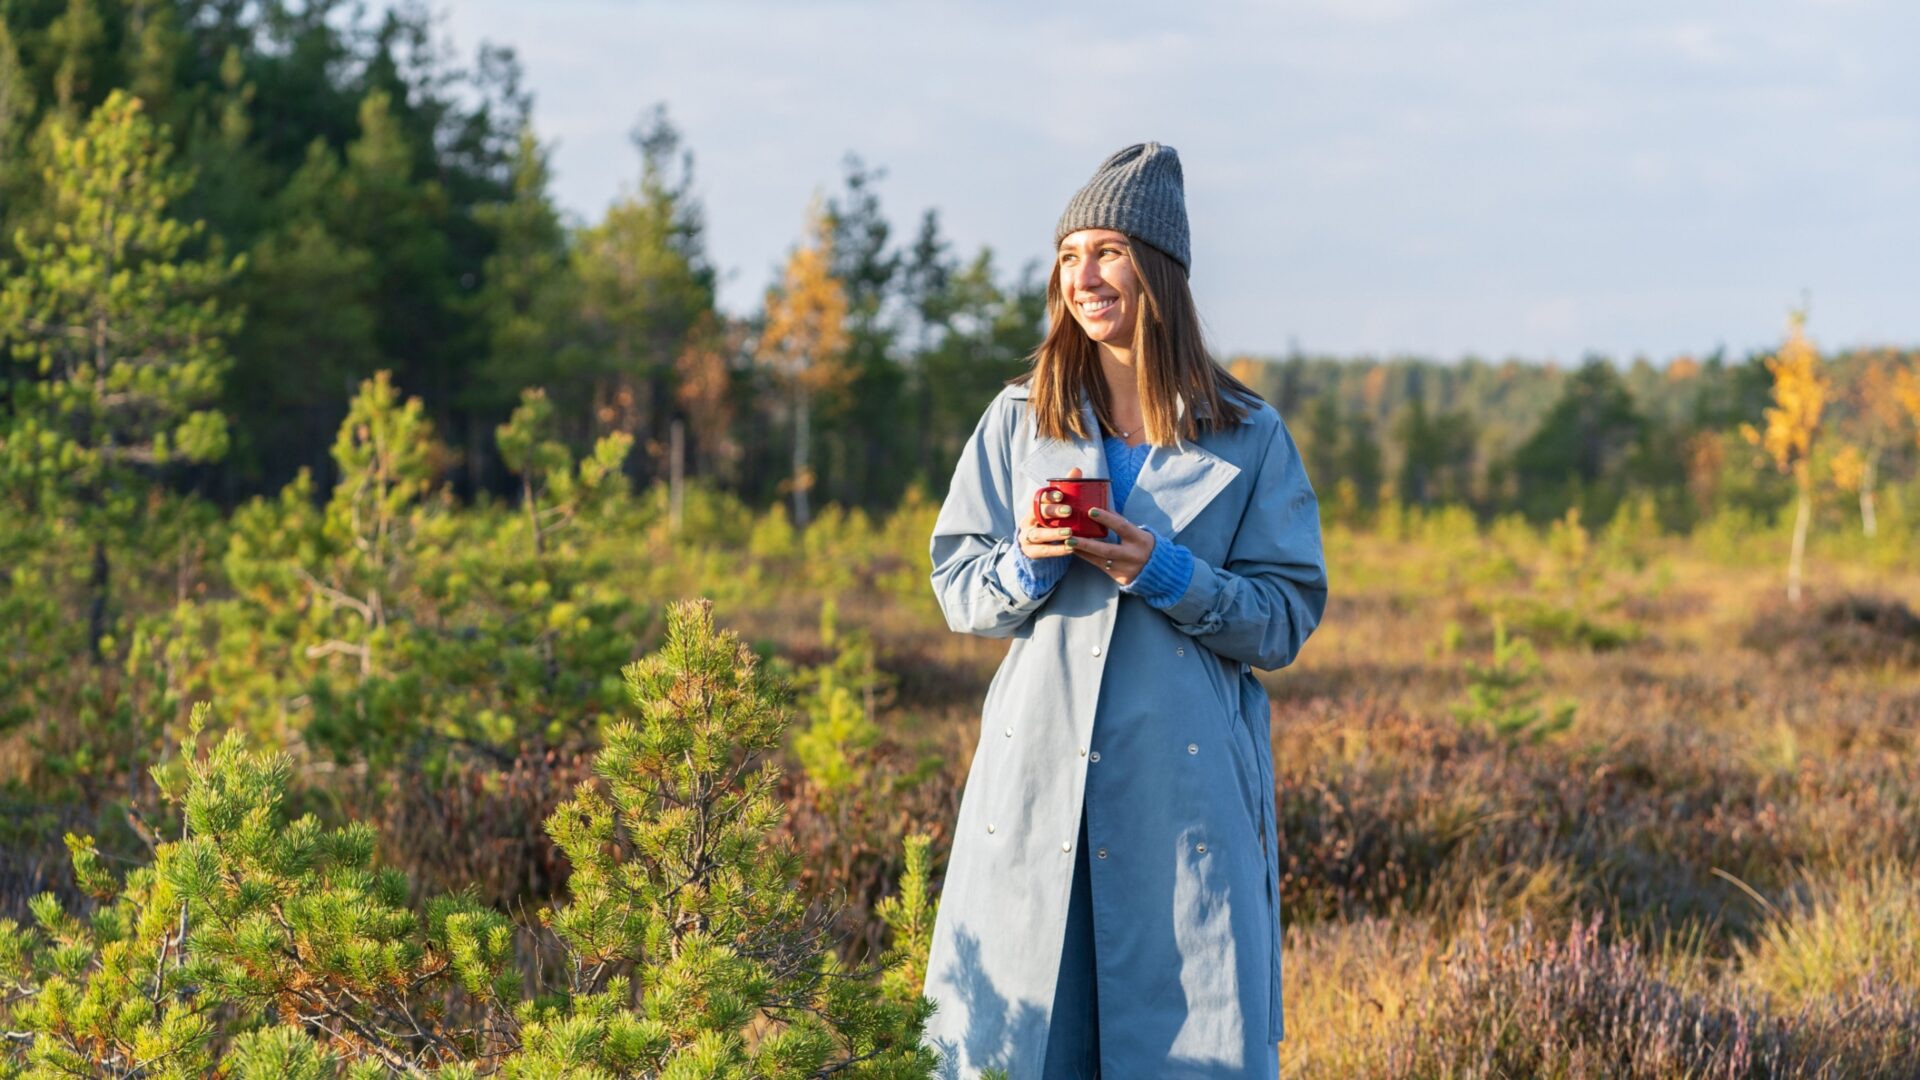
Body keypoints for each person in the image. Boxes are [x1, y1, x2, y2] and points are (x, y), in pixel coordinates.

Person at [920, 142, 1329, 1079]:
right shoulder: (1020, 418)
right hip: (1033, 789)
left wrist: (1167, 573)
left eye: (1106, 251)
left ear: (1158, 270)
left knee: (1187, 1043)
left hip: (1182, 799)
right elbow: (957, 587)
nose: (1084, 277)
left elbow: (1283, 616)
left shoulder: (1248, 434)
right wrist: (1026, 561)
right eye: (1069, 256)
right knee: (1017, 1045)